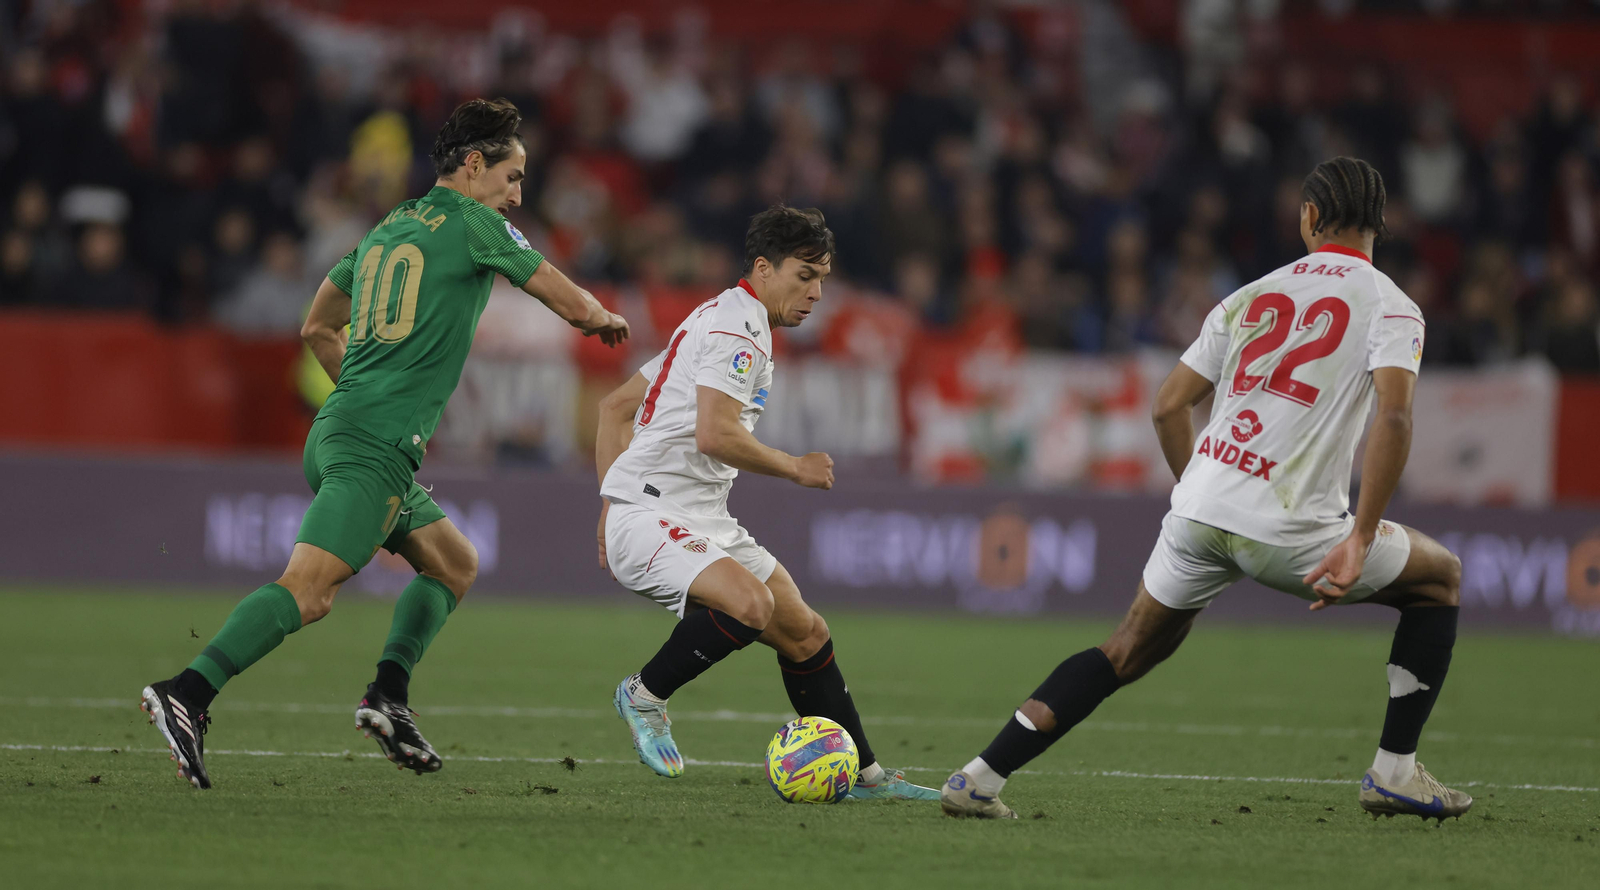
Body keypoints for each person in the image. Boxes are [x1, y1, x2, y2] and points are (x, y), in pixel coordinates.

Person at [941, 157, 1470, 822]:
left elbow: (1168, 407)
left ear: (1308, 218)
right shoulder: (1394, 307)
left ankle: (979, 777)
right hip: (1292, 528)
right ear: (1381, 226)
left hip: (1200, 505)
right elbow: (1393, 416)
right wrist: (1360, 535)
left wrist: (1199, 487)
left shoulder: (1247, 296)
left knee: (1124, 647)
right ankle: (1394, 772)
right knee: (1441, 578)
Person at [139, 98, 630, 789]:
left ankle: (388, 699)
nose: (518, 195)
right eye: (512, 176)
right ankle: (188, 691)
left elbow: (316, 329)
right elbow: (562, 294)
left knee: (454, 563)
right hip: (372, 442)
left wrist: (358, 398)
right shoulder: (475, 222)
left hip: (347, 429)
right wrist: (601, 315)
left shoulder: (388, 227)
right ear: (472, 165)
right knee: (308, 593)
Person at [593, 205, 938, 801]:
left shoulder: (717, 316)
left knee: (803, 631)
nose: (817, 293)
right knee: (750, 605)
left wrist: (608, 501)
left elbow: (615, 409)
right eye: (804, 276)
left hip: (688, 514)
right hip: (655, 514)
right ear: (763, 267)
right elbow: (715, 435)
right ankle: (644, 695)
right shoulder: (737, 329)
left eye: (823, 279)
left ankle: (864, 776)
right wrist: (794, 467)